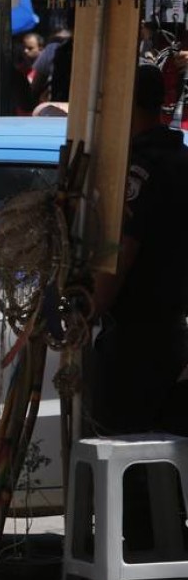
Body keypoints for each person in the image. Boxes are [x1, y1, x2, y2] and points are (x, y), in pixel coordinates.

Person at [91, 63, 188, 436]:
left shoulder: (139, 170)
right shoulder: (180, 160)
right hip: (173, 335)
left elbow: (121, 252)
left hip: (135, 345)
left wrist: (92, 307)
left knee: (128, 457)